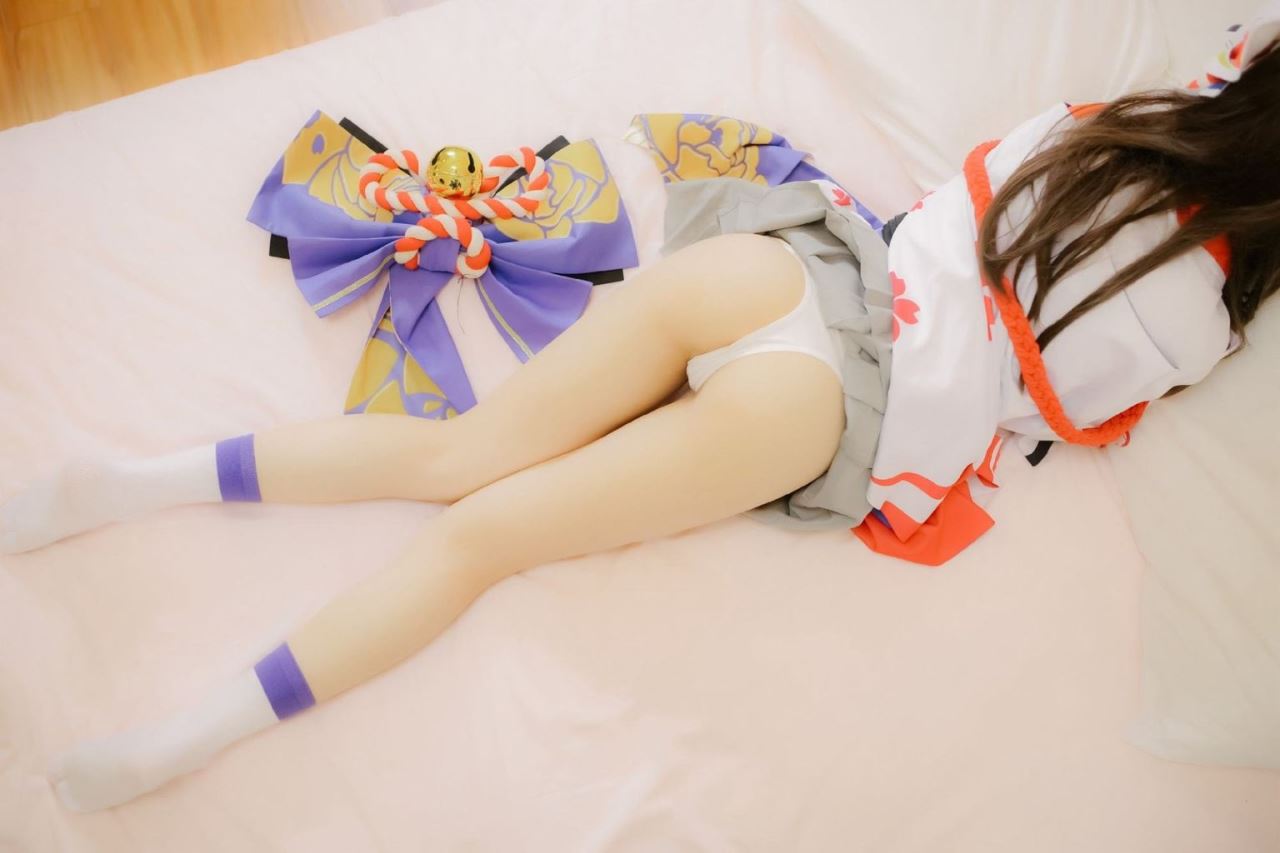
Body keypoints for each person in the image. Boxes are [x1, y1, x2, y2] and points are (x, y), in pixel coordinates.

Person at [8, 13, 1279, 813]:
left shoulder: (1111, 123)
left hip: (784, 267)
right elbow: (1065, 409)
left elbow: (1013, 180)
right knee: (477, 541)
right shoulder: (1195, 318)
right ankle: (177, 741)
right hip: (822, 399)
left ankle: (126, 480)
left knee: (458, 453)